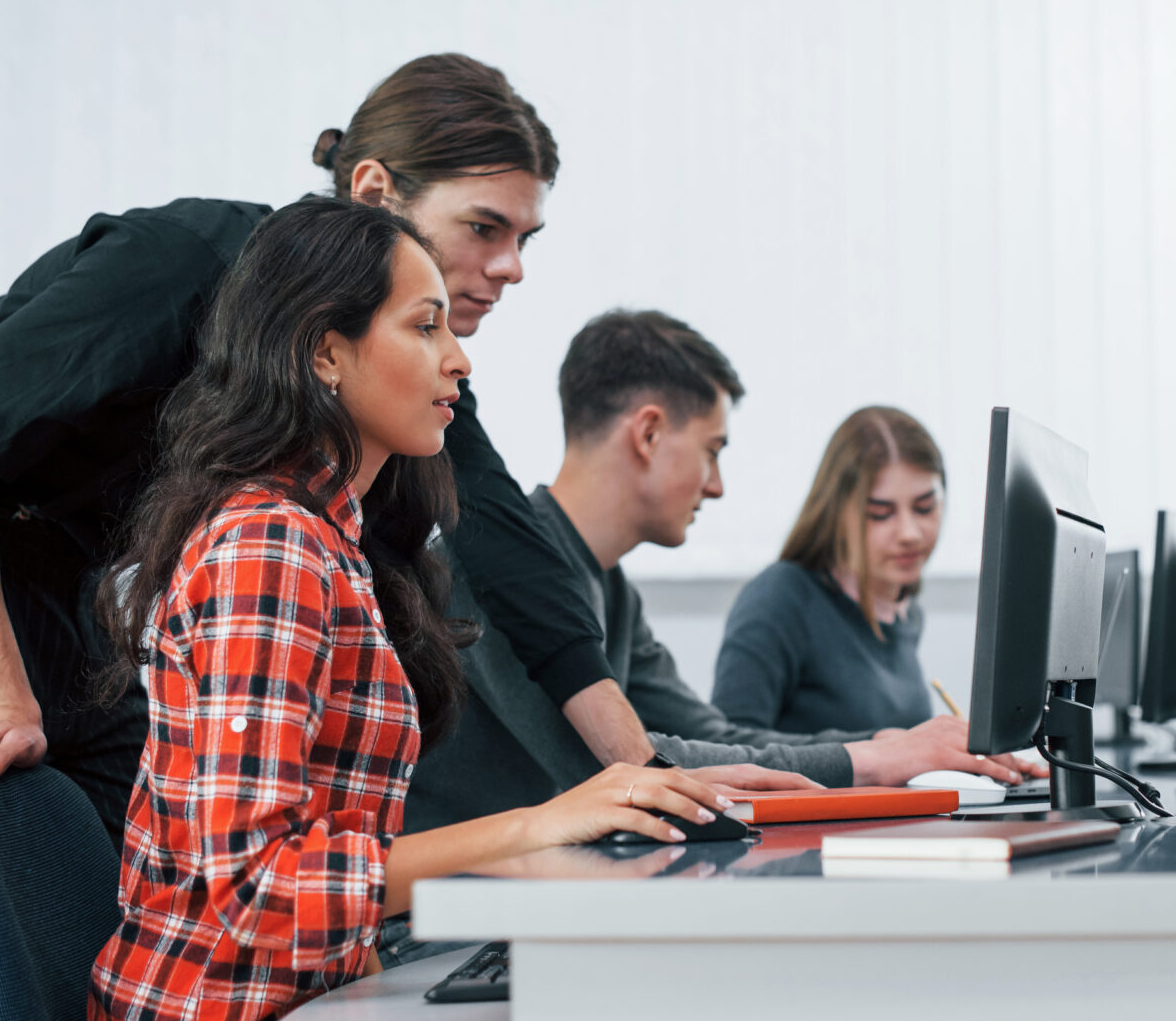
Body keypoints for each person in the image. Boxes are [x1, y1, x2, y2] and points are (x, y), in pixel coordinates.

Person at [0, 53, 668, 1021]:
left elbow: (504, 539)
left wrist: (643, 776)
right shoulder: (194, 299)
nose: (509, 269)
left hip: (73, 586)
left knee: (104, 910)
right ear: (374, 194)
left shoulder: (326, 514)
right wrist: (8, 696)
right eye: (485, 228)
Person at [87, 199, 730, 1021]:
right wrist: (534, 827)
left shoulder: (332, 542)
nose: (458, 359)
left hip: (320, 991)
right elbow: (252, 887)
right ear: (326, 352)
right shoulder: (270, 546)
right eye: (426, 327)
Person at [401, 313, 1035, 840]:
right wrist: (874, 757)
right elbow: (615, 764)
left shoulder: (610, 588)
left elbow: (710, 738)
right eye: (712, 450)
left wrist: (894, 745)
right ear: (648, 433)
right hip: (448, 928)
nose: (718, 485)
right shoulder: (502, 574)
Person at [711, 406, 948, 733]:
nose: (909, 533)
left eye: (925, 507)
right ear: (837, 514)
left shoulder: (905, 613)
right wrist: (884, 754)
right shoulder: (780, 599)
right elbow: (727, 751)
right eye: (880, 513)